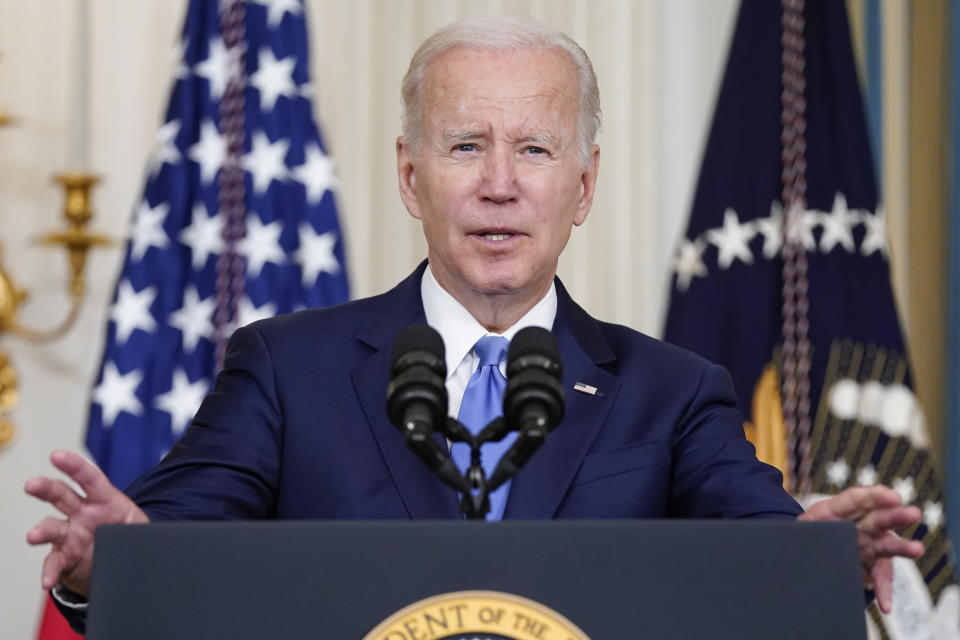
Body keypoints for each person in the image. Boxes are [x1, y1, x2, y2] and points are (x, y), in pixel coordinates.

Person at [25, 15, 922, 629]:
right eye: (466, 146)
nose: (501, 183)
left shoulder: (673, 394)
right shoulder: (286, 371)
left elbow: (763, 551)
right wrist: (104, 561)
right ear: (412, 178)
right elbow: (158, 549)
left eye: (535, 148)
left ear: (585, 184)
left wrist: (818, 555)